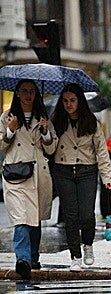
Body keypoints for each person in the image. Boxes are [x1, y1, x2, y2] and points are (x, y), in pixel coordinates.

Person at [50, 83, 111, 272]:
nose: (68, 104)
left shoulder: (91, 122)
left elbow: (101, 151)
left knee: (87, 214)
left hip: (87, 170)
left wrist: (107, 177)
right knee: (70, 216)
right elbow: (50, 149)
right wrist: (46, 133)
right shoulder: (57, 121)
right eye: (65, 101)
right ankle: (75, 256)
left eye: (72, 100)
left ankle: (87, 244)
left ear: (80, 101)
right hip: (63, 170)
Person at [0, 79, 57, 279]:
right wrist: (10, 130)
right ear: (16, 93)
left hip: (38, 173)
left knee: (34, 218)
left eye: (32, 91)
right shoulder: (7, 117)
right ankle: (22, 259)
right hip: (16, 173)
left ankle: (32, 257)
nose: (28, 95)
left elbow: (51, 148)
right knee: (21, 218)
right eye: (24, 91)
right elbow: (1, 146)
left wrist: (45, 131)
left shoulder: (43, 117)